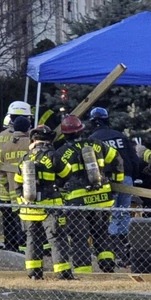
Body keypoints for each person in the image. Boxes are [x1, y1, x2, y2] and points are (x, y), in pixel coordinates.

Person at [55, 114, 124, 273]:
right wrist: (116, 182)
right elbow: (117, 159)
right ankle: (107, 265)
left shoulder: (62, 152)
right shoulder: (97, 144)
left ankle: (83, 272)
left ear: (65, 134)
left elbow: (59, 177)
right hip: (102, 198)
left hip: (78, 202)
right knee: (101, 233)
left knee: (80, 237)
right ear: (81, 131)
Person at [14, 125, 74, 280]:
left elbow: (17, 184)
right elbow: (67, 174)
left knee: (32, 241)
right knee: (57, 239)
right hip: (50, 208)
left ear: (33, 139)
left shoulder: (25, 158)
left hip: (29, 209)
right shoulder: (53, 156)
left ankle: (34, 274)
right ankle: (63, 274)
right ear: (50, 140)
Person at [87, 106, 140, 268]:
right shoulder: (120, 136)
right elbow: (135, 160)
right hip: (127, 180)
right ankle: (125, 252)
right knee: (124, 214)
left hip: (107, 182)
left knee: (109, 216)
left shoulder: (93, 140)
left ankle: (113, 251)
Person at [0, 103, 32, 251]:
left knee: (7, 219)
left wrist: (6, 171)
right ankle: (25, 246)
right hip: (27, 188)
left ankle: (11, 246)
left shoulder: (2, 137)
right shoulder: (31, 140)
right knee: (26, 218)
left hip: (6, 188)